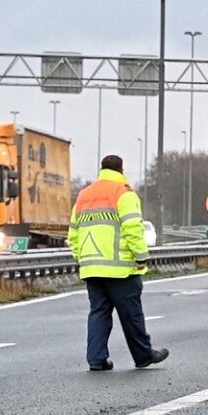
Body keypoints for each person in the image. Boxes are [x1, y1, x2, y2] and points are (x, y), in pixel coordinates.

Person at [68, 154, 168, 371]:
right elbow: (132, 228)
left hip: (91, 267)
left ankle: (96, 359)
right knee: (131, 314)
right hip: (120, 269)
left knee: (99, 313)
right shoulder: (123, 192)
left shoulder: (84, 195)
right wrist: (141, 256)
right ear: (121, 170)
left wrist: (82, 258)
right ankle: (143, 355)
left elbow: (73, 234)